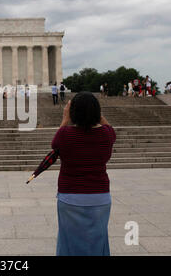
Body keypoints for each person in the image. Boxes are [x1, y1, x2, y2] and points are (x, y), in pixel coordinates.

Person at [51, 92, 116, 256]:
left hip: (70, 196)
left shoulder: (65, 135)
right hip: (100, 196)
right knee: (98, 241)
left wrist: (65, 119)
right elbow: (110, 130)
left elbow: (55, 144)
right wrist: (95, 113)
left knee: (68, 242)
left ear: (72, 112)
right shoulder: (107, 134)